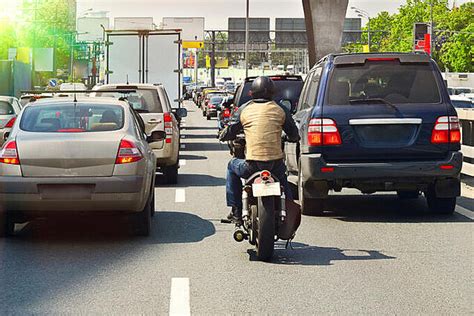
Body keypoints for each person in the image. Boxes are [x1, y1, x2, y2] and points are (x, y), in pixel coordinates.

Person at [219, 76, 300, 225]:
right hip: (275, 166)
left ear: (252, 92)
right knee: (283, 180)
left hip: (251, 166)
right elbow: (294, 133)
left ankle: (236, 210)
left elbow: (230, 130)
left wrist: (223, 135)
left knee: (232, 166)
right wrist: (293, 138)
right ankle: (289, 210)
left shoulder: (245, 109)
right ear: (273, 93)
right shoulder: (280, 109)